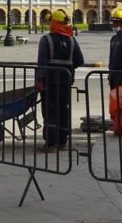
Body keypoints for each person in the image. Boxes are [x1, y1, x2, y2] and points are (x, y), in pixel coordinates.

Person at [34, 8, 85, 151]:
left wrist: (39, 80)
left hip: (49, 83)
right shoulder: (72, 40)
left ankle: (51, 143)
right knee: (64, 110)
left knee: (50, 111)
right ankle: (62, 141)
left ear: (53, 24)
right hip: (66, 81)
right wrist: (68, 69)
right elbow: (80, 60)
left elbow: (41, 62)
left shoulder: (46, 40)